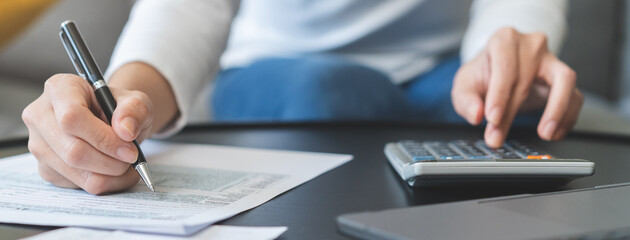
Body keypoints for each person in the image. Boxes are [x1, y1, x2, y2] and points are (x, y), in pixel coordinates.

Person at [22, 0, 583, 194]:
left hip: (444, 77)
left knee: (520, 105)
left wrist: (503, 57)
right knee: (329, 91)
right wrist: (125, 98)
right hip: (281, 77)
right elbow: (186, 13)